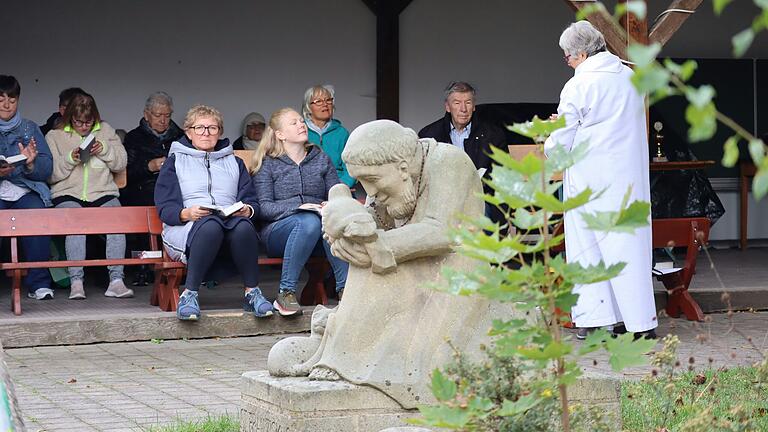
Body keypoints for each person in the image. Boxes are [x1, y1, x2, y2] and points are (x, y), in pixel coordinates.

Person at [267, 120, 513, 409]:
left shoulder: (449, 162)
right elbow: (374, 219)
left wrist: (376, 247)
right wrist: (345, 236)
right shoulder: (391, 177)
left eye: (374, 181)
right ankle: (342, 345)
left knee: (375, 263)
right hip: (417, 265)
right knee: (367, 260)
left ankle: (345, 352)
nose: (371, 191)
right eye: (362, 183)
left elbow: (441, 231)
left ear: (402, 168)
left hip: (456, 269)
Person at [544, 21, 657, 340]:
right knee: (629, 248)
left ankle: (595, 321)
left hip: (591, 181)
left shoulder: (579, 85)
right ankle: (638, 322)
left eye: (567, 55)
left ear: (580, 53)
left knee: (588, 250)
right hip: (628, 179)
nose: (566, 61)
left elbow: (564, 138)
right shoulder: (630, 77)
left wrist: (551, 136)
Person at [154, 104, 266, 321]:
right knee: (210, 225)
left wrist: (247, 210)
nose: (206, 133)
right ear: (188, 132)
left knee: (244, 227)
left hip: (229, 224)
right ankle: (189, 294)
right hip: (185, 227)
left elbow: (252, 200)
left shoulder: (235, 162)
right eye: (200, 128)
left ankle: (252, 293)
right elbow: (165, 207)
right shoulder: (174, 162)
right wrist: (186, 213)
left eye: (212, 128)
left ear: (220, 132)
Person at [251, 108, 348, 316]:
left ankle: (347, 292)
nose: (301, 125)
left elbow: (337, 194)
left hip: (319, 231)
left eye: (301, 121)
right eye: (293, 123)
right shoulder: (267, 164)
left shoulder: (321, 159)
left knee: (332, 223)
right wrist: (298, 208)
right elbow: (264, 208)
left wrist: (328, 205)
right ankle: (285, 292)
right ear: (280, 134)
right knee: (309, 222)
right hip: (278, 234)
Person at [46, 92, 133, 300]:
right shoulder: (55, 136)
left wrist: (103, 149)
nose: (83, 127)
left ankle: (116, 281)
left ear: (95, 117)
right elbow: (50, 175)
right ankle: (76, 282)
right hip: (68, 193)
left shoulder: (106, 131)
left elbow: (121, 162)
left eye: (88, 122)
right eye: (78, 122)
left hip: (102, 192)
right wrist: (71, 157)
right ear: (69, 118)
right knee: (76, 220)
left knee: (117, 219)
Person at [121, 92, 184, 286]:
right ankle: (144, 266)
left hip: (174, 188)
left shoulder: (181, 137)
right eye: (158, 115)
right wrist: (150, 166)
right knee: (145, 205)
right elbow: (126, 174)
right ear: (147, 114)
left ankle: (181, 263)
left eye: (167, 115)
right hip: (143, 188)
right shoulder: (134, 138)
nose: (163, 120)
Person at [0, 75, 55, 300]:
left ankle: (39, 284)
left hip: (24, 188)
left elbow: (47, 168)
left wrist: (32, 162)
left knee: (36, 214)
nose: (6, 104)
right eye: (1, 99)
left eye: (12, 99)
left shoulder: (30, 128)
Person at [418, 81, 506, 221]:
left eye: (468, 103)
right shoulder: (429, 135)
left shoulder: (493, 136)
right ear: (448, 107)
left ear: (474, 106)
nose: (463, 109)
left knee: (481, 220)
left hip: (481, 199)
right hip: (441, 202)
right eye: (457, 103)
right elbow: (422, 176)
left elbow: (502, 175)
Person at [302, 85, 355, 188]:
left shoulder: (342, 133)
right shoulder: (300, 131)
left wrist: (344, 184)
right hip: (308, 187)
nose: (325, 104)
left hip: (338, 185)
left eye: (328, 100)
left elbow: (351, 165)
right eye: (319, 101)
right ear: (308, 107)